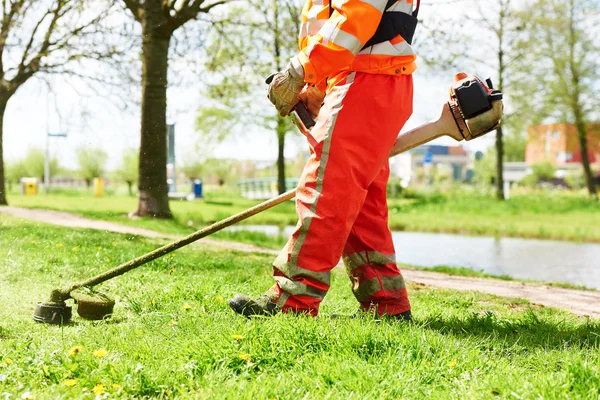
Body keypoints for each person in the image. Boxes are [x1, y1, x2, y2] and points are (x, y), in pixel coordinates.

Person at [229, 0, 420, 320]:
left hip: (367, 80)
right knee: (361, 203)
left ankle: (292, 301)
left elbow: (356, 17)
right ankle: (386, 302)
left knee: (326, 192)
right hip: (373, 80)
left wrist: (300, 70)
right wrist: (315, 85)